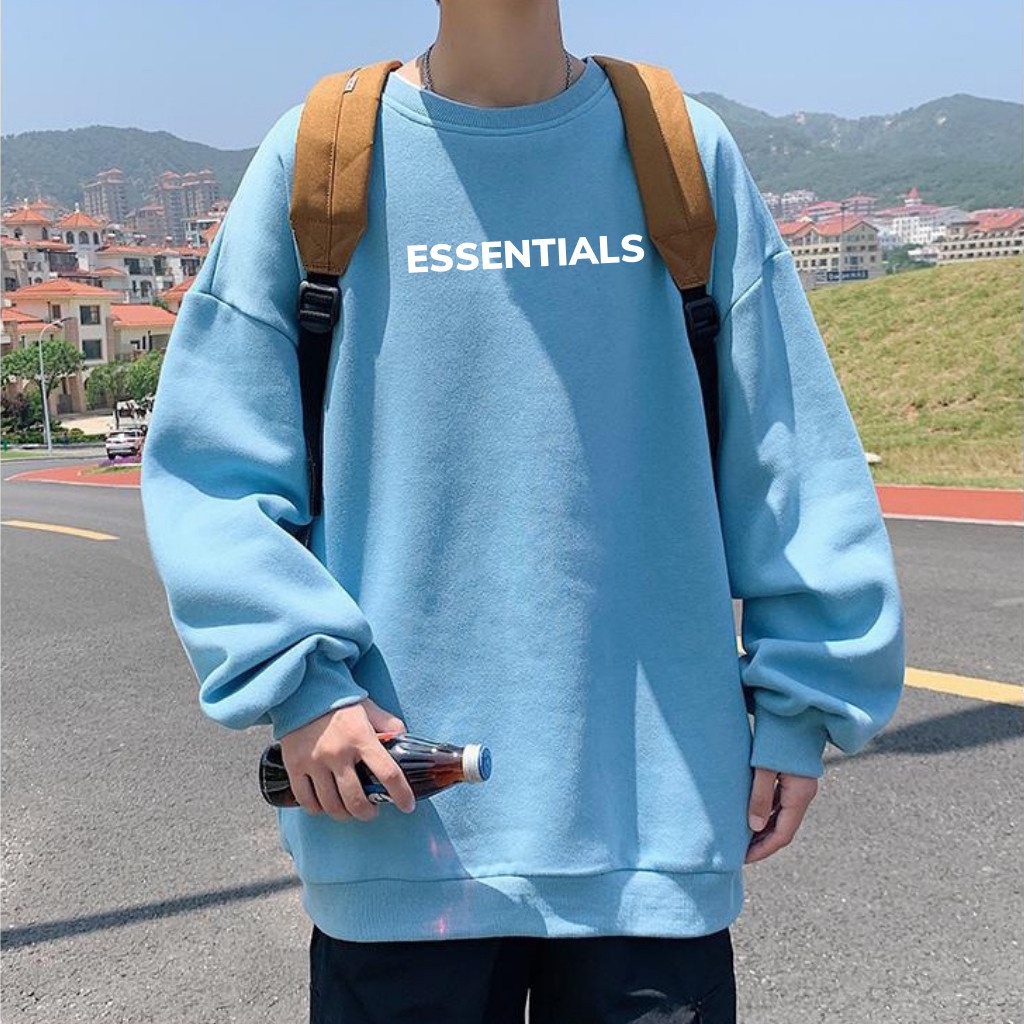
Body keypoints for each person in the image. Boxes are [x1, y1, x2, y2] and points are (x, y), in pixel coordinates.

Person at [140, 1, 905, 1021]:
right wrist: (304, 684)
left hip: (652, 825)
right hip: (397, 813)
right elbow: (212, 467)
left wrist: (802, 705)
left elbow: (788, 457)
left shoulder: (680, 152)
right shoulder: (318, 159)